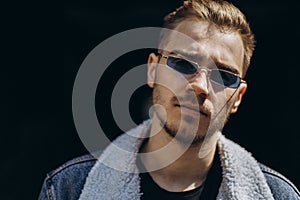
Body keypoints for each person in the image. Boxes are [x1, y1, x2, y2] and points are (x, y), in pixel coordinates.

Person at [39, 0, 300, 199]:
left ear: (238, 97)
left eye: (224, 76)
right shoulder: (67, 189)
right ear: (152, 70)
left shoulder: (280, 195)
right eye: (183, 63)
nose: (200, 86)